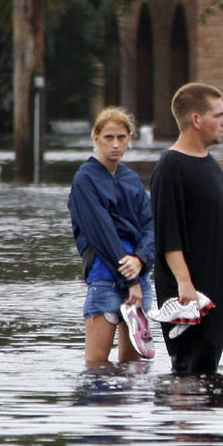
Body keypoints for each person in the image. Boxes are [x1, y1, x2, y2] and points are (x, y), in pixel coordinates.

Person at [151, 82, 223, 374]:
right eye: (218, 115)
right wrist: (185, 284)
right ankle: (185, 420)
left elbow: (212, 222)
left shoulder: (209, 164)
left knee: (208, 372)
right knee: (190, 375)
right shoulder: (171, 166)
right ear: (197, 120)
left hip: (218, 288)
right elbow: (167, 234)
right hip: (191, 298)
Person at [67, 108, 155, 367]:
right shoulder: (85, 179)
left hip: (139, 279)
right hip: (105, 277)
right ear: (95, 137)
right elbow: (101, 233)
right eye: (108, 137)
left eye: (121, 137)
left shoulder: (131, 180)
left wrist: (140, 259)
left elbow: (150, 225)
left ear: (130, 139)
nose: (115, 144)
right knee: (96, 368)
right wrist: (132, 279)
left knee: (133, 368)